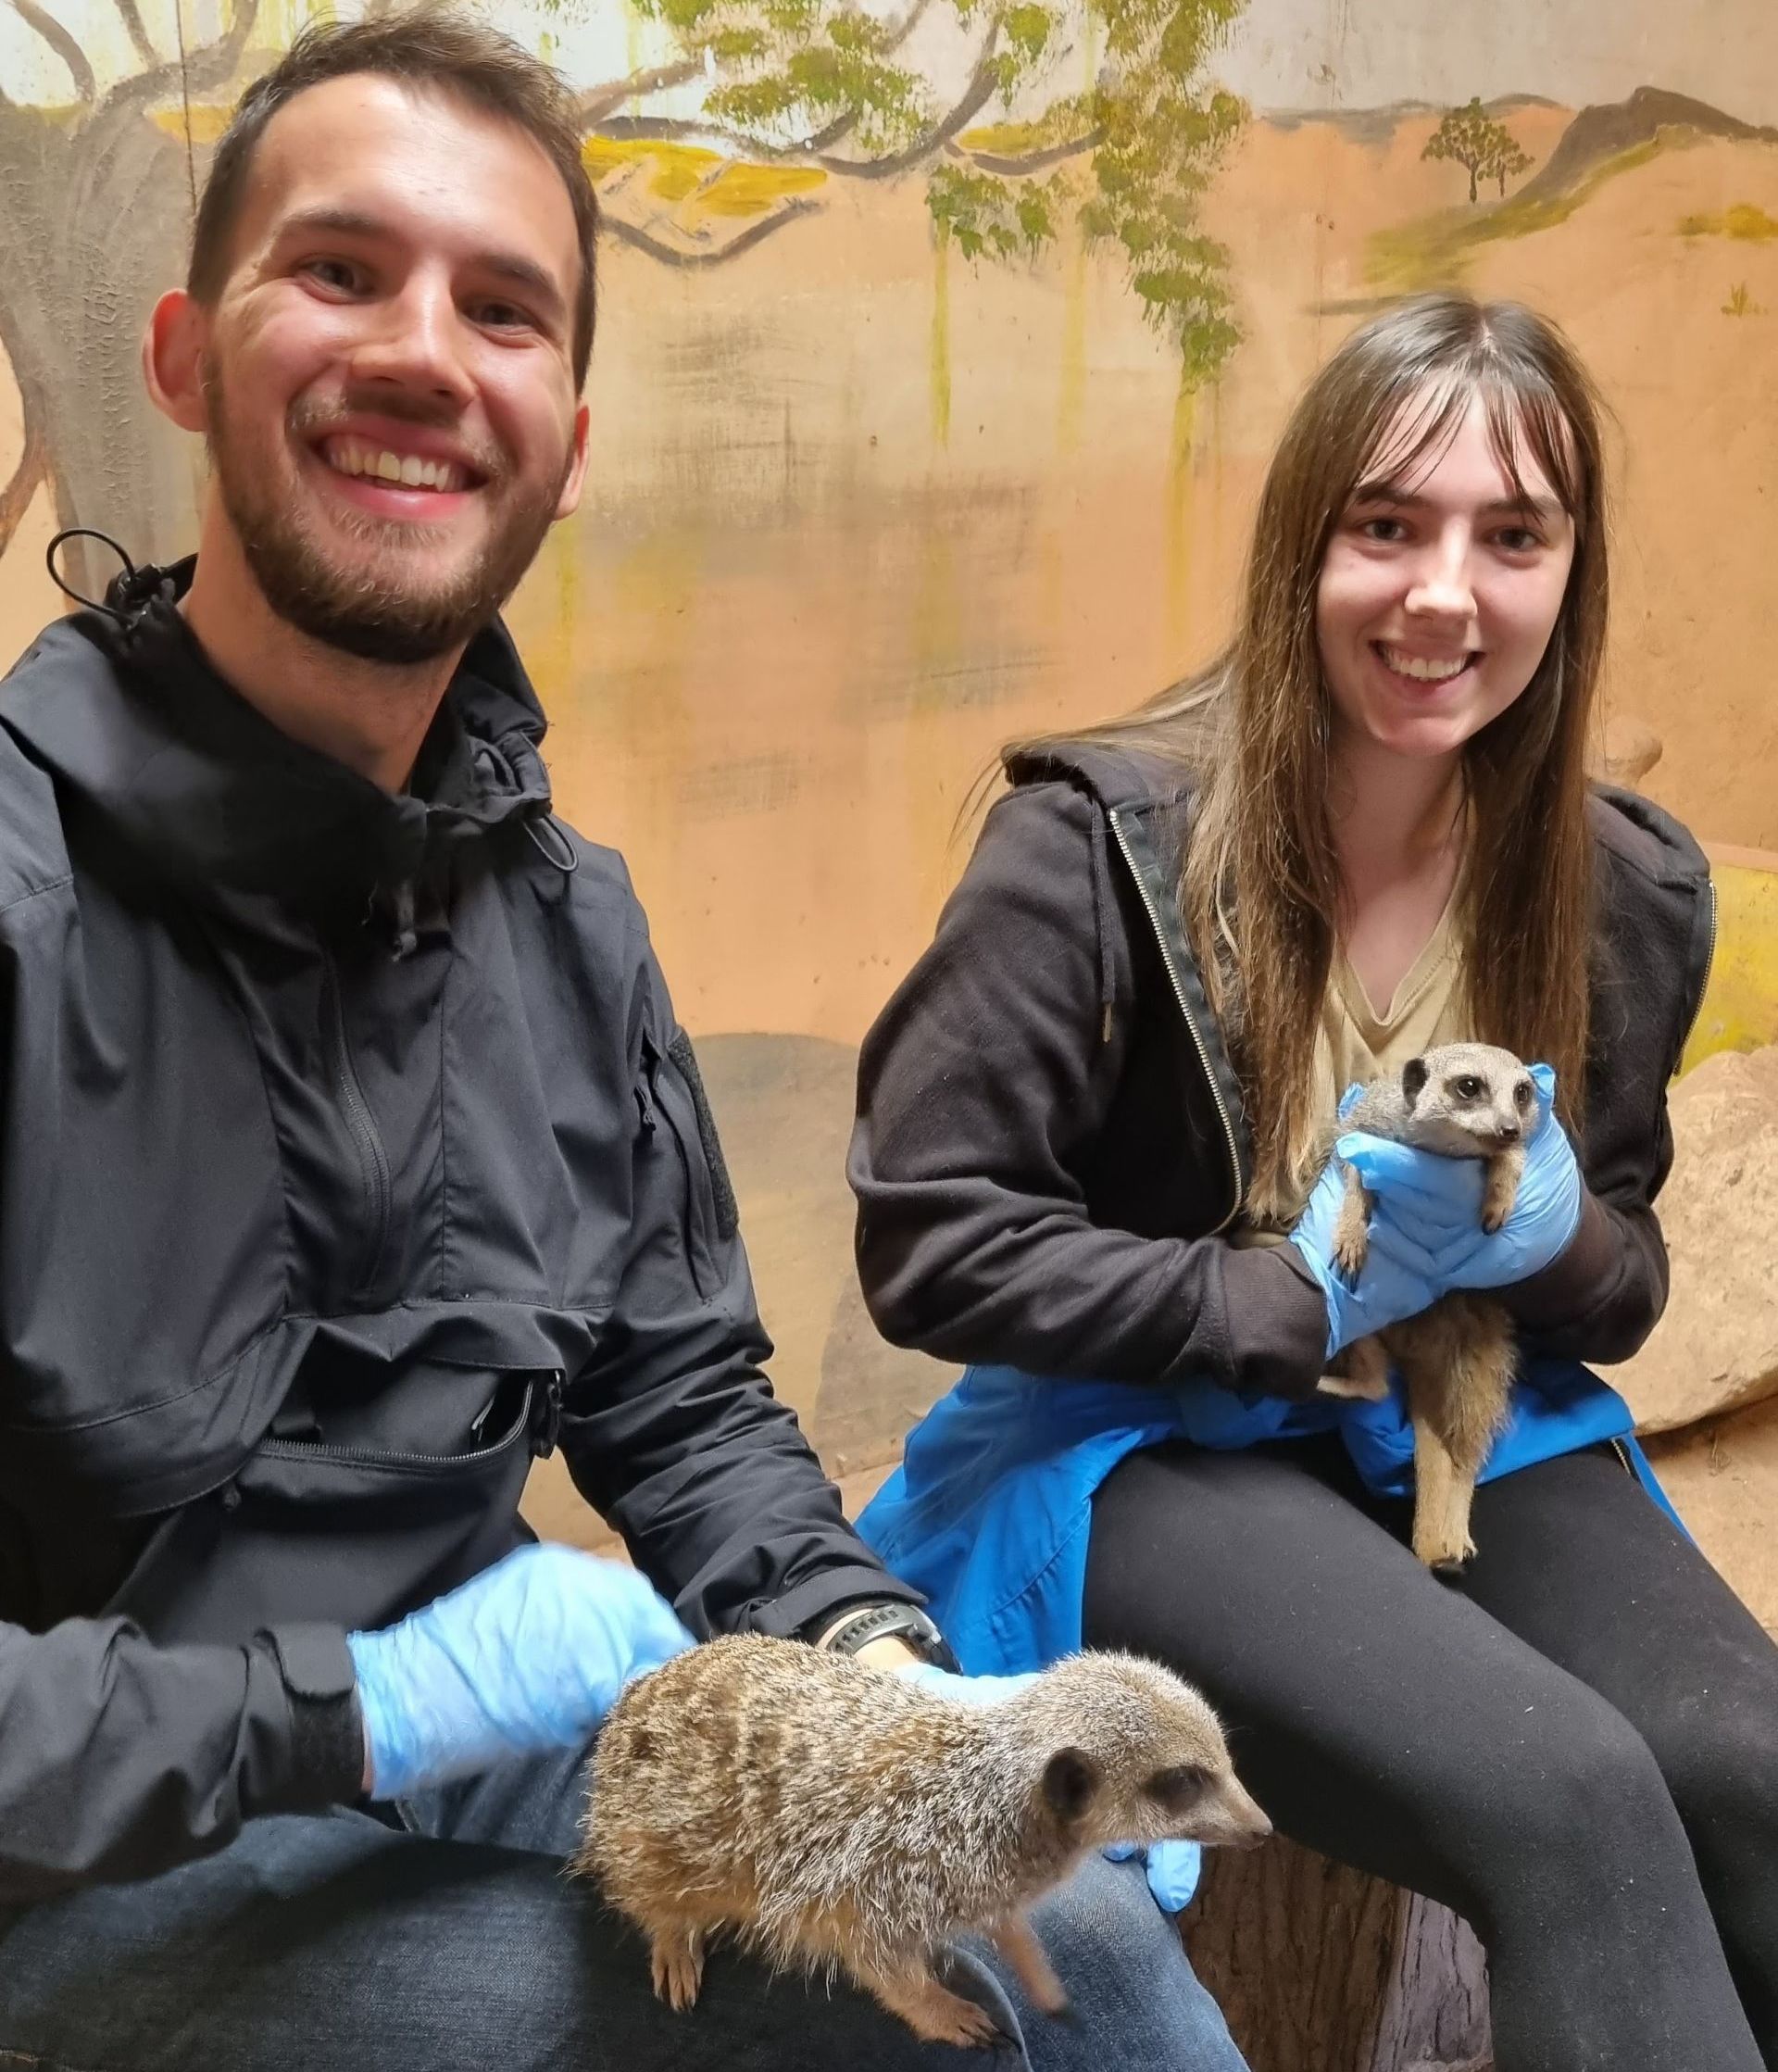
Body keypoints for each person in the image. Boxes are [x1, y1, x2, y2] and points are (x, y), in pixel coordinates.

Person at [0, 16, 1247, 2070]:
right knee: (826, 2039)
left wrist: (881, 1671)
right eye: (341, 269)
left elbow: (677, 1402)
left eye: (503, 309)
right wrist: (353, 1706)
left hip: (468, 1762)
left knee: (1077, 1946)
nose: (424, 351)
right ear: (183, 357)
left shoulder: (567, 920)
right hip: (80, 1865)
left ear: (567, 441)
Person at [850, 293, 1778, 2071]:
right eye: (1390, 525)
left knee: (1750, 1768)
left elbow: (1626, 1287)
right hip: (1146, 1430)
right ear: (1305, 546)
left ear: (1570, 574)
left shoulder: (1620, 886)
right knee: (1570, 1800)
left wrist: (1560, 1233)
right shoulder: (1098, 842)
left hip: (1452, 1417)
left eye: (1513, 537)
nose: (1446, 594)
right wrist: (1260, 1298)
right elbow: (930, 1235)